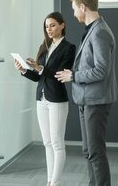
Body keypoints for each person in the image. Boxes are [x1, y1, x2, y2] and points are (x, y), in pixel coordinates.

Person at [55, 0, 118, 186]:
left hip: (96, 101)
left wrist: (73, 75)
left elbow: (101, 71)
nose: (74, 14)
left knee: (96, 153)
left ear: (83, 7)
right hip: (86, 99)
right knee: (88, 151)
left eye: (75, 9)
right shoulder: (93, 29)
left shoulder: (100, 32)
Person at [14, 12, 76, 186]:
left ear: (62, 25)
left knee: (57, 144)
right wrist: (24, 70)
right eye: (47, 26)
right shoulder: (44, 47)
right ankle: (49, 180)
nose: (49, 29)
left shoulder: (69, 48)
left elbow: (59, 75)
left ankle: (54, 183)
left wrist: (40, 67)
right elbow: (38, 77)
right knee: (47, 143)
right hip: (41, 99)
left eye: (53, 25)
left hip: (57, 99)